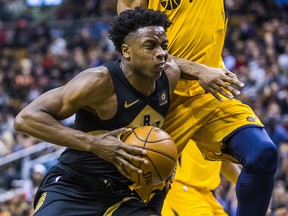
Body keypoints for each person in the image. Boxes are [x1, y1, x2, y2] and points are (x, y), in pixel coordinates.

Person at [13, 7, 242, 216]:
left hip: (124, 192)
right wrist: (94, 144)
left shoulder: (169, 75)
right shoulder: (98, 82)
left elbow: (177, 64)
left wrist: (201, 71)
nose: (161, 53)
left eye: (164, 45)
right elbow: (26, 118)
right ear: (126, 51)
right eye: (150, 46)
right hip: (75, 185)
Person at [117, 1, 279, 216]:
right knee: (130, 198)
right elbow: (136, 54)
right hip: (163, 99)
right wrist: (198, 70)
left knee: (262, 154)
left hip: (209, 93)